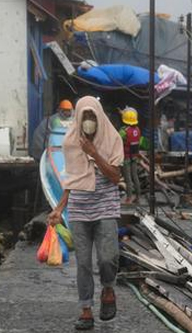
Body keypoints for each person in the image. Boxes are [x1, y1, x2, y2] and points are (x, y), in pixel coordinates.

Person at [48, 96, 123, 330]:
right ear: (78, 118)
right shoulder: (71, 142)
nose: (89, 121)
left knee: (107, 258)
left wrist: (94, 153)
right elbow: (71, 179)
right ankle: (86, 310)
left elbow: (115, 177)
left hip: (105, 205)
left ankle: (108, 289)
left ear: (99, 116)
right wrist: (59, 208)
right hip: (79, 207)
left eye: (92, 116)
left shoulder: (113, 139)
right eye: (85, 116)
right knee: (83, 264)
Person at [119, 108, 142, 204]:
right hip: (135, 157)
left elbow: (117, 140)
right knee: (135, 177)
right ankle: (138, 197)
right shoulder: (137, 130)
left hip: (127, 157)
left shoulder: (124, 131)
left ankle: (129, 198)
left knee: (128, 178)